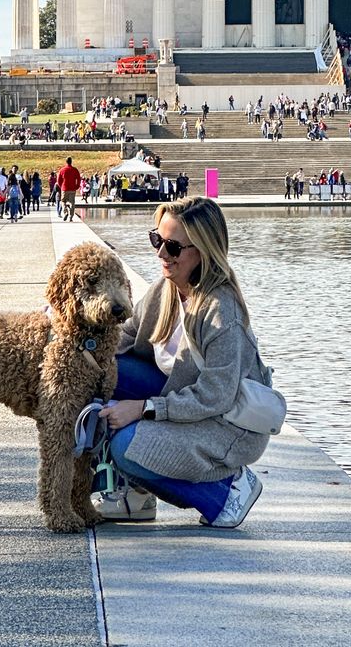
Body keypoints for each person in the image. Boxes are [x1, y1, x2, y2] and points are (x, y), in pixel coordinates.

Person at [96, 197, 271, 528]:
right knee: (100, 369)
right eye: (157, 240)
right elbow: (124, 337)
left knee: (126, 446)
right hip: (184, 400)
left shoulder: (221, 312)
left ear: (202, 252)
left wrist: (143, 408)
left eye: (173, 247)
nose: (161, 254)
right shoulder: (167, 288)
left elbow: (214, 396)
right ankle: (137, 498)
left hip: (227, 425)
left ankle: (227, 491)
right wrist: (73, 340)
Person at [57, 156, 81, 222]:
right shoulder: (75, 170)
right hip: (72, 189)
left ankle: (65, 212)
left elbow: (58, 180)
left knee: (63, 201)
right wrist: (77, 186)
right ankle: (71, 216)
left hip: (64, 188)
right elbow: (78, 179)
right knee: (72, 202)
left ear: (66, 162)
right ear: (71, 162)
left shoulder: (62, 170)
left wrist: (61, 186)